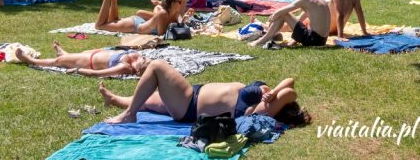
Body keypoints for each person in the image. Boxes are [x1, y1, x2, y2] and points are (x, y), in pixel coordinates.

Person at [99, 60, 310, 126]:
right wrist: (272, 92)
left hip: (190, 105)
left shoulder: (260, 112)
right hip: (193, 94)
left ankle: (129, 115)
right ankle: (117, 101)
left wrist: (275, 97)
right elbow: (289, 80)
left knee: (156, 67)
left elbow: (290, 92)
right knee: (150, 100)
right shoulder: (267, 97)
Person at [248, 0, 330, 48]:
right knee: (286, 16)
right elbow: (300, 22)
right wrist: (294, 40)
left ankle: (262, 40)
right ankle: (272, 34)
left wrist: (272, 18)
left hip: (313, 40)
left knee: (284, 14)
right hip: (321, 40)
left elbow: (282, 11)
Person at [14, 40, 149, 77]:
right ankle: (65, 54)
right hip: (96, 53)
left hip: (88, 62)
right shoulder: (138, 57)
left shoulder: (125, 67)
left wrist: (77, 70)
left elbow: (97, 74)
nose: (144, 60)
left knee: (58, 62)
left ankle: (30, 61)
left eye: (144, 64)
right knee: (81, 53)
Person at [94, 0, 177, 35]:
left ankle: (113, 0)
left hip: (137, 23)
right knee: (99, 26)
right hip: (134, 25)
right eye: (179, 3)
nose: (180, 5)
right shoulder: (163, 13)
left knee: (112, 20)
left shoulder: (165, 12)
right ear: (173, 4)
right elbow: (161, 33)